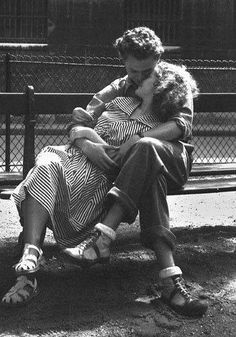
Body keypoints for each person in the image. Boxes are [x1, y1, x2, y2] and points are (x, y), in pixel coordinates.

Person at [1, 27, 208, 317]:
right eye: (133, 70)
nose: (139, 77)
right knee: (49, 165)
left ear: (158, 59)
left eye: (146, 70)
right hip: (133, 165)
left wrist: (138, 139)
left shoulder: (172, 81)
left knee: (146, 149)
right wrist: (87, 144)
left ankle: (104, 238)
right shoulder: (120, 86)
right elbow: (80, 120)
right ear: (123, 61)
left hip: (171, 156)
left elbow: (182, 125)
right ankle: (32, 256)